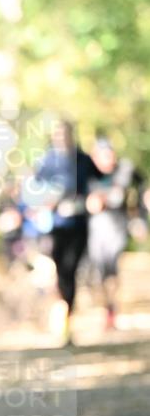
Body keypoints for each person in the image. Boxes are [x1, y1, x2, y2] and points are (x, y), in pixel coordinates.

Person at [34, 120, 99, 345]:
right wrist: (45, 201)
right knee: (60, 271)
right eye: (57, 133)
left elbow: (99, 182)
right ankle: (61, 312)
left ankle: (66, 319)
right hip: (55, 226)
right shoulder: (47, 160)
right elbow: (33, 189)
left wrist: (96, 197)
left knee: (71, 271)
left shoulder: (83, 159)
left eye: (65, 133)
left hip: (79, 225)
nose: (61, 137)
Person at [87, 137, 144, 330]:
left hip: (117, 226)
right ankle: (106, 308)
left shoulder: (124, 170)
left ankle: (112, 310)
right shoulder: (87, 174)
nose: (106, 159)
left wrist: (139, 217)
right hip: (94, 229)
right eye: (101, 155)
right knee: (98, 271)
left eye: (109, 154)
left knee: (112, 268)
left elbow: (142, 185)